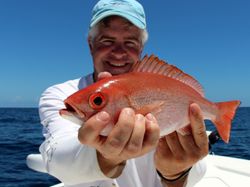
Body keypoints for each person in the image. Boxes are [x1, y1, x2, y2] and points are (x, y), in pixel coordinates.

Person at [39, 0, 208, 186]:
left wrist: (175, 173)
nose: (119, 52)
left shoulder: (167, 91)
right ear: (90, 44)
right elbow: (56, 157)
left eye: (130, 42)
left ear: (141, 48)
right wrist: (105, 157)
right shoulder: (60, 94)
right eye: (107, 41)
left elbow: (196, 172)